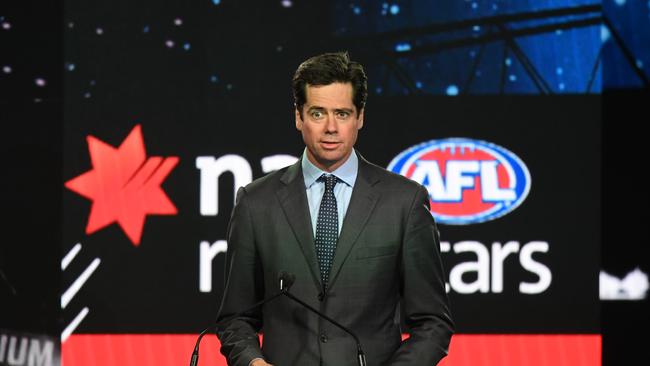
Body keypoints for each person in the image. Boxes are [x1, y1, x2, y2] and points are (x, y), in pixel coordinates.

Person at [216, 51, 453, 366]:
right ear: (299, 116)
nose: (330, 127)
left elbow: (433, 322)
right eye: (317, 113)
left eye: (342, 113)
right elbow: (235, 317)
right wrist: (253, 363)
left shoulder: (404, 202)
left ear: (360, 117)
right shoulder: (256, 202)